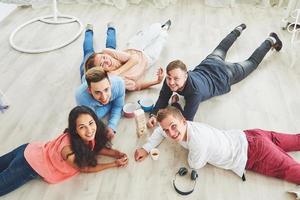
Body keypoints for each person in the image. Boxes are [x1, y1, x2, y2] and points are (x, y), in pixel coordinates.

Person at [147, 24, 283, 128]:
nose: (171, 82)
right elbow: (163, 96)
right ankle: (238, 29)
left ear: (186, 76)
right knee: (222, 47)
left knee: (251, 63)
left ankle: (271, 40)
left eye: (176, 79)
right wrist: (154, 114)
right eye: (169, 77)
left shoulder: (194, 93)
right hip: (210, 63)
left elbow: (187, 120)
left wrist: (175, 103)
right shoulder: (169, 80)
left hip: (226, 75)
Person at [135, 106, 300, 184]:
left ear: (183, 121)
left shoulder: (197, 141)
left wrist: (191, 152)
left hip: (254, 154)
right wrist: (146, 147)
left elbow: (195, 164)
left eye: (173, 127)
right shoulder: (180, 127)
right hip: (249, 136)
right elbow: (159, 131)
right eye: (167, 129)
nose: (170, 133)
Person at [0, 105, 128, 196]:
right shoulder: (67, 150)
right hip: (28, 165)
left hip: (29, 149)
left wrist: (117, 154)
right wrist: (113, 164)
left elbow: (96, 148)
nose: (89, 130)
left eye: (91, 123)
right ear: (75, 129)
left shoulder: (84, 136)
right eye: (82, 127)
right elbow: (85, 168)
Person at [83, 20, 172, 91]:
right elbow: (137, 86)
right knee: (161, 38)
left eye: (104, 57)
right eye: (102, 64)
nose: (106, 61)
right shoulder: (116, 80)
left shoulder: (106, 52)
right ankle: (164, 29)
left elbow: (135, 58)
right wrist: (156, 81)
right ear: (102, 71)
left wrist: (117, 72)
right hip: (147, 59)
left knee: (156, 26)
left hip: (134, 47)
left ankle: (161, 27)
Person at [75, 67, 125, 140]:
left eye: (106, 89)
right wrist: (111, 104)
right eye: (97, 92)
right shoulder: (81, 96)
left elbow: (118, 106)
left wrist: (111, 126)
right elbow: (91, 119)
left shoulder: (119, 84)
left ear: (110, 83)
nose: (104, 98)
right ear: (89, 90)